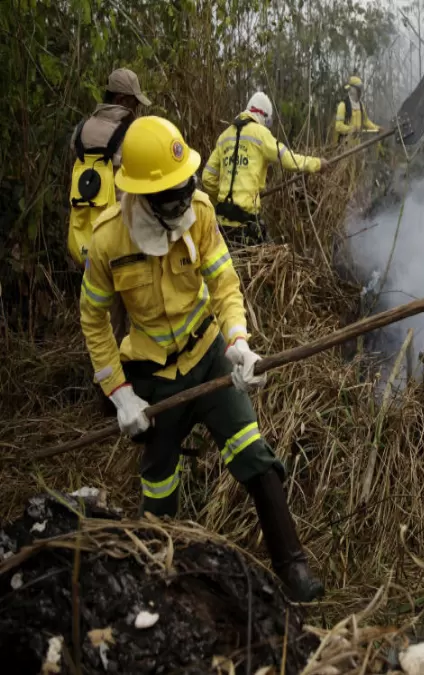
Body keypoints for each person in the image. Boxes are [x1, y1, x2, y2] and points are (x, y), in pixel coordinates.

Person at [79, 115, 324, 603]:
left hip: (208, 355)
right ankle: (156, 584)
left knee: (255, 455)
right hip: (152, 376)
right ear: (143, 195)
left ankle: (293, 566)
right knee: (157, 486)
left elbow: (224, 283)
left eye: (184, 187)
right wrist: (120, 393)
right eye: (170, 195)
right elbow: (93, 322)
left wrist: (237, 342)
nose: (182, 201)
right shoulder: (109, 241)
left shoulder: (202, 212)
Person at [69, 67, 151, 345]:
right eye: (135, 102)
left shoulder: (79, 132)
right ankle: (123, 376)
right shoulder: (129, 134)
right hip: (120, 237)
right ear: (123, 100)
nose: (137, 109)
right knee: (130, 315)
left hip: (85, 235)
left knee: (98, 316)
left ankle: (102, 372)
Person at [202, 92, 328, 247]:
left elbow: (207, 177)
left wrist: (223, 201)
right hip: (246, 223)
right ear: (263, 115)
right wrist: (317, 164)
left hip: (222, 224)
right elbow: (289, 160)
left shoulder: (224, 136)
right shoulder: (260, 134)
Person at [332, 75, 381, 144]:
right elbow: (338, 126)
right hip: (345, 146)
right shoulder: (343, 106)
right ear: (352, 89)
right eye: (358, 89)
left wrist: (377, 128)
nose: (360, 92)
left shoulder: (361, 106)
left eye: (360, 89)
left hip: (357, 146)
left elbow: (366, 122)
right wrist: (351, 129)